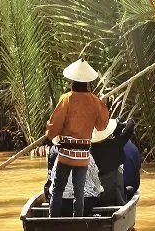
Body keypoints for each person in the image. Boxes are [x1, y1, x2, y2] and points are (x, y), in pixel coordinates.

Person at [45, 58, 110, 218]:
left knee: (57, 189)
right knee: (79, 191)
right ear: (87, 82)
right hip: (83, 156)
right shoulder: (95, 101)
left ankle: (53, 221)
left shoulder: (66, 99)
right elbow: (102, 126)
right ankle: (78, 221)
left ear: (73, 81)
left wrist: (49, 136)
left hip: (66, 155)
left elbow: (55, 125)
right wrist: (100, 104)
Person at [90, 116, 128, 208]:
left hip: (98, 187)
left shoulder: (92, 147)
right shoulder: (113, 144)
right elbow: (128, 131)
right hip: (112, 185)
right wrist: (128, 122)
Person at [122, 119, 142, 197]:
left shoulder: (112, 147)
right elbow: (138, 168)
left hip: (119, 187)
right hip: (133, 186)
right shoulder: (135, 149)